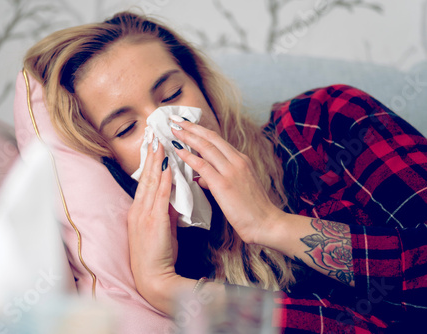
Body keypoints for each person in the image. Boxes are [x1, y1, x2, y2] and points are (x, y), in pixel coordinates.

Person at [23, 11, 427, 332]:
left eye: (172, 95)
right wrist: (167, 289)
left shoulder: (325, 123)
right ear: (108, 160)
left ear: (204, 88)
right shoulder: (161, 257)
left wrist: (271, 224)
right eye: (127, 129)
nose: (168, 127)